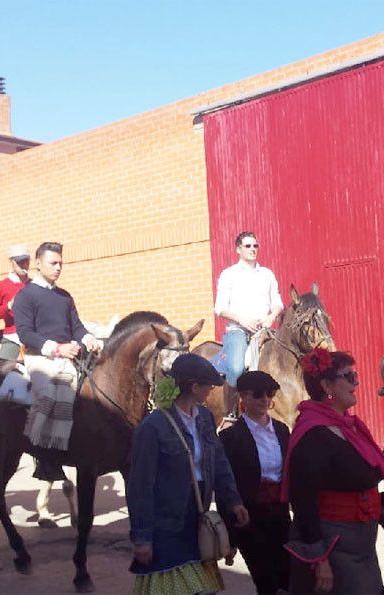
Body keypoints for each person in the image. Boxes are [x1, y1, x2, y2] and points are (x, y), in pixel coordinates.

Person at [127, 353, 249, 595]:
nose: (212, 391)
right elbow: (139, 486)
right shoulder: (152, 428)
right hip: (165, 524)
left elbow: (220, 462)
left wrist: (233, 501)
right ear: (195, 388)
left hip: (198, 518)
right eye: (209, 386)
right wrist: (142, 537)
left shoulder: (204, 418)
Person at [282, 348, 384, 594]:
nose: (357, 382)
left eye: (355, 375)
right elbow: (303, 501)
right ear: (327, 386)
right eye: (348, 377)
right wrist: (319, 559)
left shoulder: (348, 427)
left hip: (360, 545)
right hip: (335, 548)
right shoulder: (312, 434)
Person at [13, 242, 100, 480]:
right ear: (38, 264)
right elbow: (25, 333)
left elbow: (77, 327)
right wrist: (58, 348)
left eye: (61, 263)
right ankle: (45, 458)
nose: (58, 267)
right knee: (55, 390)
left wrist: (89, 338)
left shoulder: (64, 296)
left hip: (68, 356)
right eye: (53, 263)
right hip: (39, 357)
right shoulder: (25, 296)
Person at [218, 371, 290, 595]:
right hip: (250, 519)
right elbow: (225, 487)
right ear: (242, 396)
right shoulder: (230, 438)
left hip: (280, 515)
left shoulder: (281, 430)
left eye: (270, 393)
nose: (265, 400)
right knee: (265, 580)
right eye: (258, 394)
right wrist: (230, 534)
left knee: (288, 577)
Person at [214, 230, 283, 413]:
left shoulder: (267, 274)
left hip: (264, 331)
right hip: (238, 331)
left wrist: (271, 316)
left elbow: (277, 303)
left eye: (255, 245)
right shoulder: (228, 274)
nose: (253, 249)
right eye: (248, 246)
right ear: (238, 249)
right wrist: (242, 320)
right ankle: (230, 414)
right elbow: (220, 308)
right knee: (236, 369)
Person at [0, 244, 31, 361]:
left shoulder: (35, 284)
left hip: (37, 335)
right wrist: (9, 306)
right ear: (11, 262)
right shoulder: (0, 286)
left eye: (26, 261)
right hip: (13, 337)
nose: (23, 265)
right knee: (2, 371)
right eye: (19, 262)